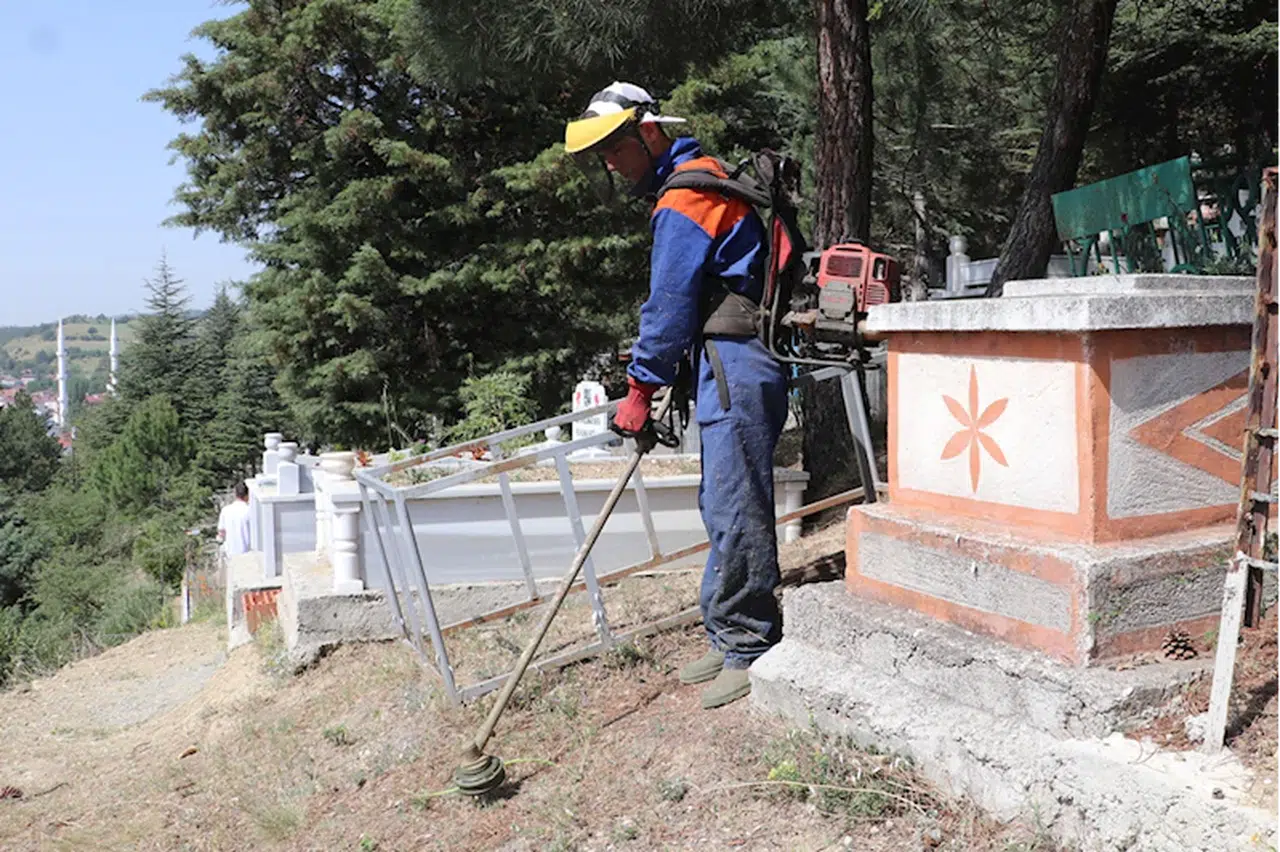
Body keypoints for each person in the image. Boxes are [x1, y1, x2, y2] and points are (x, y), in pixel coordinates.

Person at [565, 82, 789, 709]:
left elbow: (667, 307)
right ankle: (727, 633)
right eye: (601, 154)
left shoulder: (687, 196)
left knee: (735, 502)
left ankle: (750, 646)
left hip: (738, 363)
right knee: (721, 502)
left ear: (649, 132)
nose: (610, 162)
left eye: (615, 148)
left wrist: (639, 390)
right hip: (726, 362)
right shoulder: (696, 183)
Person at [217, 482, 253, 557]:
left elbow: (221, 533)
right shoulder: (250, 511)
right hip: (247, 554)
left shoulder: (225, 510)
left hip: (230, 554)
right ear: (247, 495)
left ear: (235, 494)